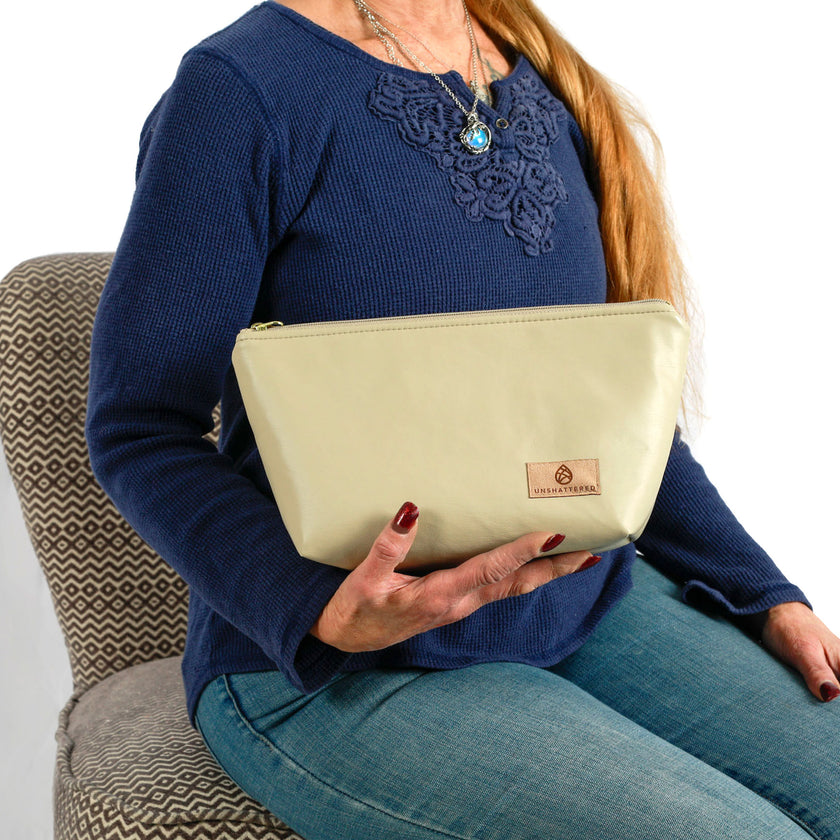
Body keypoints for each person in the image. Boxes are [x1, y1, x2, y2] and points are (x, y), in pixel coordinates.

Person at [85, 1, 840, 837]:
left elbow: (616, 424)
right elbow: (139, 428)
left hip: (584, 600)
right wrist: (321, 609)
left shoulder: (545, 77)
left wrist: (765, 595)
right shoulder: (238, 89)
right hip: (334, 664)